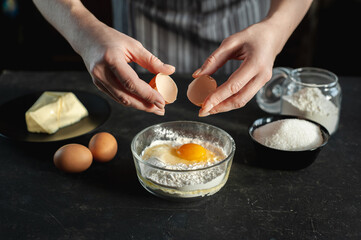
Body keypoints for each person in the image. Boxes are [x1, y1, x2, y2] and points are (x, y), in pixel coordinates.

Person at [32, 0, 313, 117]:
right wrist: (84, 31)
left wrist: (276, 28)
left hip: (244, 21)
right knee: (147, 105)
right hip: (143, 23)